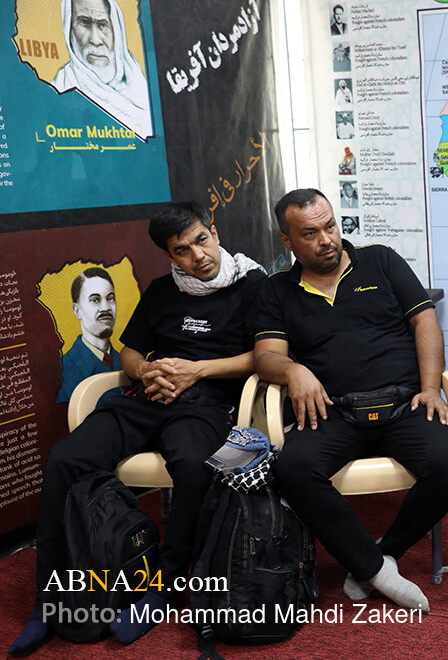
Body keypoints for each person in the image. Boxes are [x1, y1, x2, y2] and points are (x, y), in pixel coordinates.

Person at [8, 203, 265, 654]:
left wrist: (198, 371)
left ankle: (165, 586)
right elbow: (128, 352)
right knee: (64, 459)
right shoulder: (164, 290)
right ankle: (49, 599)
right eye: (182, 250)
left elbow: (265, 356)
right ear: (169, 255)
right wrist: (146, 369)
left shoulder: (253, 284)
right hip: (147, 397)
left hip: (206, 403)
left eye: (201, 241)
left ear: (215, 232)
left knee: (192, 466)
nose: (197, 256)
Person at [253, 188, 448, 613]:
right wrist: (293, 371)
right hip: (331, 412)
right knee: (293, 469)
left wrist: (429, 388)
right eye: (310, 233)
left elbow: (425, 320)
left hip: (404, 404)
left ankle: (383, 554)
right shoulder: (276, 290)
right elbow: (266, 356)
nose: (326, 239)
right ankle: (375, 569)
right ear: (287, 240)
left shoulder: (380, 260)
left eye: (330, 226)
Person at [52, 0, 151, 138]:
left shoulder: (139, 86)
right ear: (69, 27)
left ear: (116, 29)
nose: (95, 40)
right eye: (84, 22)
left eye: (102, 24)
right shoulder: (60, 88)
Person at [55, 267, 122, 404]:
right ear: (77, 311)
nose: (105, 308)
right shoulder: (63, 371)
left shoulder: (125, 362)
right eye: (95, 300)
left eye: (110, 298)